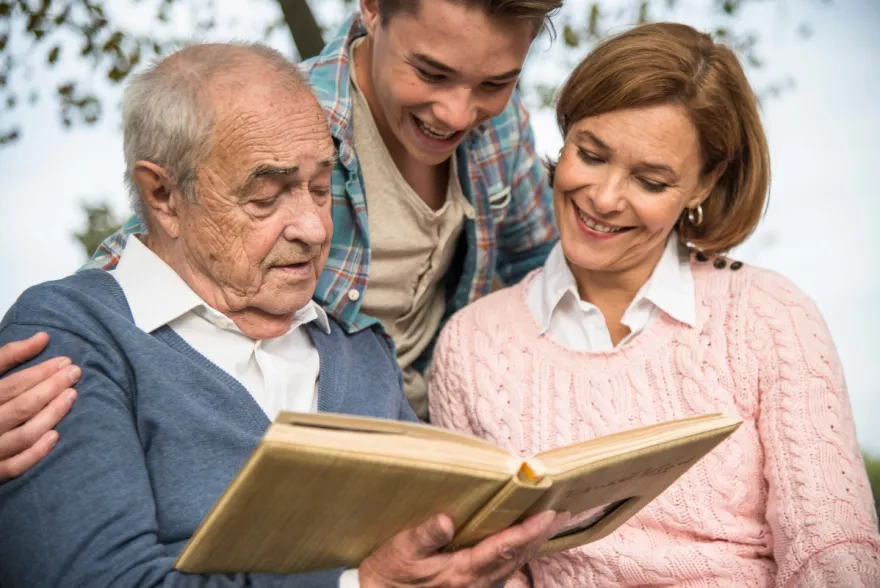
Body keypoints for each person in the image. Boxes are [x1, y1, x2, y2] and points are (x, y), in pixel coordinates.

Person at [0, 43, 567, 588]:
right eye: (266, 197)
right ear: (164, 195)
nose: (315, 229)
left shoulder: (363, 352)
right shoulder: (73, 333)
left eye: (322, 188)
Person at [428, 22, 880, 587]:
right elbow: (490, 573)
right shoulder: (471, 348)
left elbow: (831, 549)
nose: (605, 198)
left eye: (651, 181)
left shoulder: (770, 316)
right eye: (591, 155)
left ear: (703, 184)